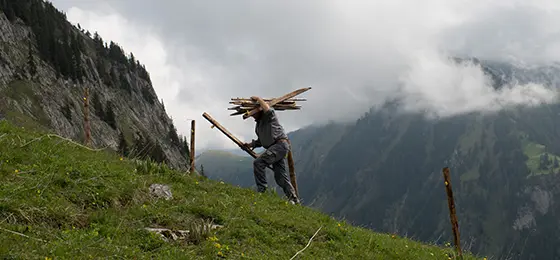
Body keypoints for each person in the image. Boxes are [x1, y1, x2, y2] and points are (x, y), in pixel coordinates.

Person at [243, 96, 300, 205]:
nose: (252, 116)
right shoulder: (258, 125)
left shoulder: (269, 116)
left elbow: (268, 109)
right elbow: (261, 141)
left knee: (259, 163)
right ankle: (294, 200)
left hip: (280, 145)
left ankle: (262, 191)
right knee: (280, 176)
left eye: (253, 113)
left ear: (259, 110)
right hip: (275, 147)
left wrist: (259, 99)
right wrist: (250, 145)